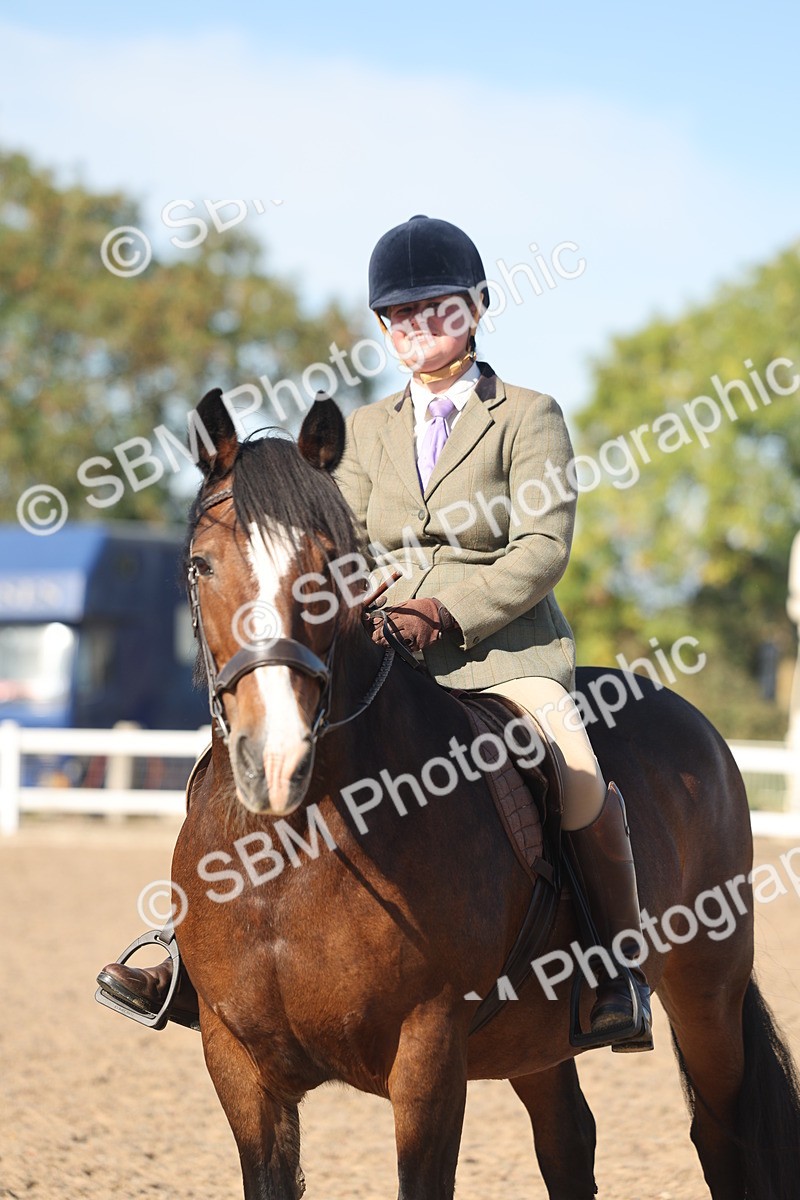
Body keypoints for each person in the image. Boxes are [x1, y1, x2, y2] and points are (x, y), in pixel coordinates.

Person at [98, 215, 651, 1051]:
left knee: (576, 775)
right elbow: (338, 543)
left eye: (435, 308)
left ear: (476, 308)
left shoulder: (529, 416)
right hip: (386, 649)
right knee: (243, 753)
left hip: (503, 656)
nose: (416, 326)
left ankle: (615, 970)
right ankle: (188, 956)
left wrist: (443, 610)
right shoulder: (361, 430)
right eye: (399, 315)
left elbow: (541, 550)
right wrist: (360, 602)